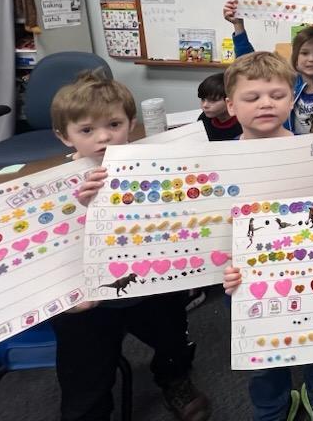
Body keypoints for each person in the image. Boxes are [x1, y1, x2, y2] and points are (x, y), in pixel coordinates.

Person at [52, 72, 210, 421]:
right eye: (86, 130)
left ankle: (174, 379)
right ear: (64, 136)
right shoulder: (54, 187)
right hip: (87, 300)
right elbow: (48, 247)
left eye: (114, 124)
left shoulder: (151, 167)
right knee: (85, 373)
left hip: (149, 285)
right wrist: (79, 207)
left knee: (172, 338)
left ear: (131, 123)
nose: (103, 136)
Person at [220, 51, 313, 421]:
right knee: (263, 351)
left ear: (291, 99)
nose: (266, 104)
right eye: (252, 97)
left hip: (306, 269)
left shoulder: (310, 153)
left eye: (276, 95)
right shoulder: (218, 163)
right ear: (231, 105)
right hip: (244, 276)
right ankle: (272, 407)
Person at [224, 0, 313, 193]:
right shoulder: (288, 83)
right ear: (295, 56)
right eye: (305, 53)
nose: (312, 58)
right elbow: (250, 65)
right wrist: (238, 27)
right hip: (295, 155)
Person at [196, 72, 242, 140]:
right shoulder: (204, 119)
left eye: (213, 100)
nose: (205, 105)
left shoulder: (243, 123)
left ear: (229, 101)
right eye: (203, 99)